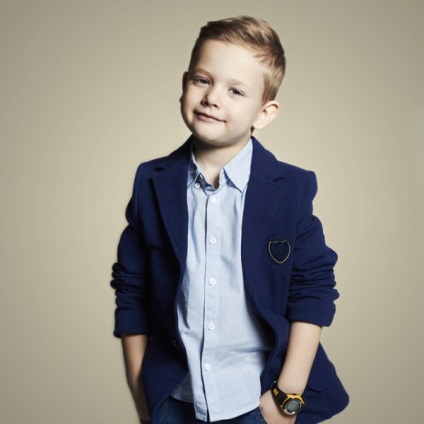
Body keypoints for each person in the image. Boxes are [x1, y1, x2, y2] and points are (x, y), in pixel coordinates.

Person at [111, 16, 349, 424]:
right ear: (184, 83)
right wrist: (142, 394)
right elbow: (132, 289)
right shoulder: (152, 182)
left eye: (235, 90)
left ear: (264, 113)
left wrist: (286, 397)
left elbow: (313, 289)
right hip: (173, 400)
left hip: (259, 401)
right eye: (202, 80)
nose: (212, 97)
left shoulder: (291, 189)